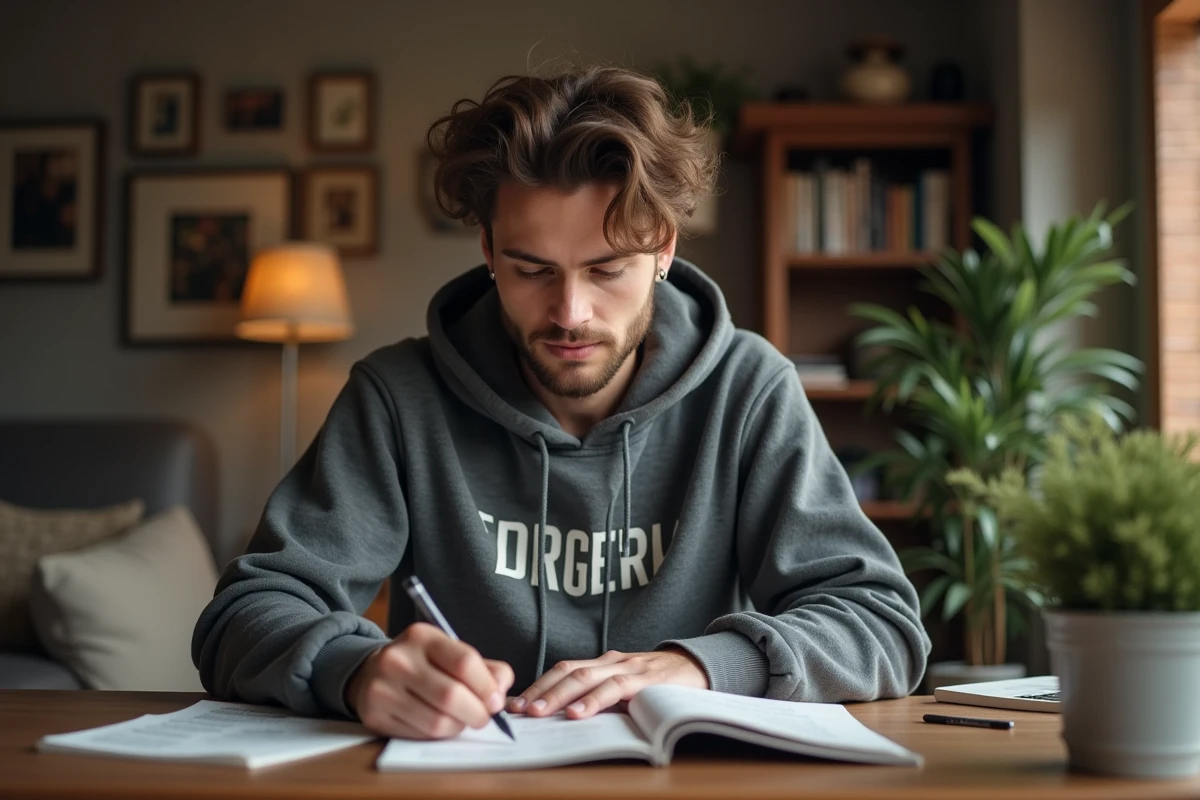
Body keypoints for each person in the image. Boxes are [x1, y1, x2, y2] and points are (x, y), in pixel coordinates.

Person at [192, 64, 930, 742]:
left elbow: (882, 624)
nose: (570, 311)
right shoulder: (397, 398)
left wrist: (703, 666)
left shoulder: (748, 389)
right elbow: (240, 618)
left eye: (607, 268)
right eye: (531, 268)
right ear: (487, 249)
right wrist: (352, 671)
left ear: (664, 247)